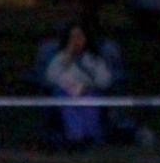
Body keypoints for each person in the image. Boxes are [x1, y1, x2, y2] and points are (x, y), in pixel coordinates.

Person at [42, 17, 115, 147]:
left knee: (90, 100)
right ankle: (75, 137)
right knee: (65, 99)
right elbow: (51, 77)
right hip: (65, 93)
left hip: (89, 92)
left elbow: (105, 81)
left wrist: (87, 87)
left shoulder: (94, 59)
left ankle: (89, 137)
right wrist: (67, 57)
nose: (76, 41)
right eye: (72, 37)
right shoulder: (59, 58)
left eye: (79, 36)